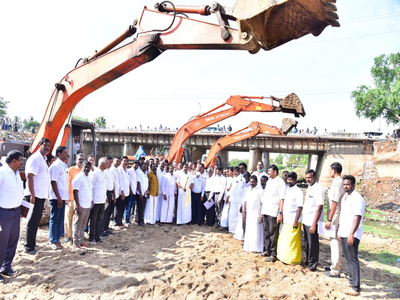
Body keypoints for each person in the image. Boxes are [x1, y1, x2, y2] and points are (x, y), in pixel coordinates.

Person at [338, 175, 365, 296]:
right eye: (344, 184)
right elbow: (344, 215)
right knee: (348, 258)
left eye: (348, 184)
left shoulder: (357, 198)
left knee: (353, 259)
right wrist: (340, 232)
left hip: (352, 233)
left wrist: (351, 234)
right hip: (344, 232)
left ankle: (356, 288)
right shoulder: (345, 196)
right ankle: (352, 280)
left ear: (353, 185)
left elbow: (357, 217)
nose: (345, 186)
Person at [24, 138, 51, 255]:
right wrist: (33, 196)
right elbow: (30, 177)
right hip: (34, 196)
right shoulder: (35, 159)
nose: (47, 148)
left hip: (40, 196)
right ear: (40, 145)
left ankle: (32, 244)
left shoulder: (43, 159)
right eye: (45, 146)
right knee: (32, 221)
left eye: (49, 147)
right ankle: (28, 247)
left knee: (35, 222)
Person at [0, 150, 24, 283]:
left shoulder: (17, 174)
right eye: (21, 160)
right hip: (3, 213)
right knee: (1, 242)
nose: (22, 162)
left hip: (16, 212)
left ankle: (6, 267)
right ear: (13, 161)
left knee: (13, 241)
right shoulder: (2, 173)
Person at [276, 172, 303, 265]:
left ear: (295, 180)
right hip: (286, 219)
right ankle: (283, 258)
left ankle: (293, 260)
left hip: (293, 220)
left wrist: (295, 221)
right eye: (288, 179)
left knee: (292, 242)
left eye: (291, 180)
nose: (289, 181)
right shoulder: (287, 189)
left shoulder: (298, 191)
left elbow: (299, 207)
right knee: (285, 240)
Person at [324, 162, 345, 278]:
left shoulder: (338, 183)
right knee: (334, 242)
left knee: (335, 242)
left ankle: (335, 270)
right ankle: (334, 264)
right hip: (336, 215)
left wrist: (329, 219)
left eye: (330, 170)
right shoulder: (338, 182)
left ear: (334, 170)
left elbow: (334, 203)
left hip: (335, 216)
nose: (329, 172)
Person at [261, 164, 286, 262]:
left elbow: (282, 198)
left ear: (275, 172)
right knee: (266, 232)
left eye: (269, 170)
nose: (268, 172)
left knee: (273, 233)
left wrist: (280, 213)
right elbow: (266, 197)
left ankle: (273, 254)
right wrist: (262, 212)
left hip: (274, 212)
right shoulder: (269, 181)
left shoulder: (280, 182)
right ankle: (267, 250)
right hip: (266, 210)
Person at [303, 169, 324, 272]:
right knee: (307, 243)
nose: (308, 179)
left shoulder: (318, 189)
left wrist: (314, 224)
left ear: (315, 178)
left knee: (313, 245)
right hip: (306, 220)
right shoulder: (309, 187)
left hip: (312, 222)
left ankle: (312, 266)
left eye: (309, 177)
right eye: (306, 177)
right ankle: (308, 261)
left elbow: (319, 207)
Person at [48, 146, 69, 250]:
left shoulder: (63, 166)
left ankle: (57, 239)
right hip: (57, 198)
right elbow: (53, 181)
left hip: (62, 197)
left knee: (60, 219)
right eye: (65, 153)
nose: (67, 154)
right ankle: (53, 240)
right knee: (54, 218)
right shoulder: (55, 166)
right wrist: (58, 197)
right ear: (59, 154)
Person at [72, 161, 93, 249]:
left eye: (89, 167)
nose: (87, 169)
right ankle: (76, 243)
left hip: (87, 205)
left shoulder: (88, 177)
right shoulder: (78, 178)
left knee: (84, 224)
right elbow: (75, 192)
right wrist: (78, 206)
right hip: (81, 205)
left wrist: (91, 201)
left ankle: (81, 241)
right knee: (78, 224)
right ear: (82, 167)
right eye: (85, 167)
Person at [65, 153, 85, 243]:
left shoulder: (85, 171)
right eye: (79, 159)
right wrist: (66, 197)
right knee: (69, 217)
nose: (81, 161)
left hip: (81, 200)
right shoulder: (71, 170)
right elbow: (67, 183)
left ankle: (76, 236)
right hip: (71, 198)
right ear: (76, 160)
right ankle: (68, 236)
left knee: (77, 219)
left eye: (82, 159)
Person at [243, 175, 264, 252]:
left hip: (257, 214)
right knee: (249, 230)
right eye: (251, 182)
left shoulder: (260, 191)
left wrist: (261, 215)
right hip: (249, 214)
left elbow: (263, 203)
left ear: (256, 182)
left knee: (256, 231)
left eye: (253, 182)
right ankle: (249, 247)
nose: (252, 183)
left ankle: (257, 248)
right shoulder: (248, 189)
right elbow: (245, 202)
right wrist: (244, 213)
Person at [89, 158, 107, 244]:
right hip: (95, 201)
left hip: (102, 200)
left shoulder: (103, 173)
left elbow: (103, 186)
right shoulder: (95, 173)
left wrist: (105, 196)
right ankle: (92, 237)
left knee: (100, 219)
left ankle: (97, 236)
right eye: (106, 164)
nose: (107, 165)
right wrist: (91, 199)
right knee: (93, 219)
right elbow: (90, 186)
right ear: (102, 164)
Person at [227, 167, 246, 234]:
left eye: (236, 171)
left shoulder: (242, 179)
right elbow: (230, 189)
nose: (235, 173)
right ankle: (232, 230)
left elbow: (243, 190)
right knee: (232, 216)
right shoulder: (233, 179)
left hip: (239, 201)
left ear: (239, 171)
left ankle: (239, 232)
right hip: (233, 200)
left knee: (239, 217)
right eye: (234, 171)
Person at [102, 156, 115, 236]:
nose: (109, 164)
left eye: (110, 163)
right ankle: (102, 229)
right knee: (104, 213)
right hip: (105, 193)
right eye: (108, 163)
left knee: (108, 212)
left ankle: (106, 228)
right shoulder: (103, 172)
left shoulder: (109, 171)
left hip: (110, 193)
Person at [115, 156, 130, 228]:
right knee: (118, 208)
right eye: (124, 161)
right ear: (121, 161)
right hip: (121, 193)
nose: (125, 162)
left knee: (122, 208)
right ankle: (117, 223)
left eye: (127, 161)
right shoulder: (119, 170)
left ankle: (120, 222)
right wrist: (122, 192)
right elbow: (120, 181)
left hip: (126, 193)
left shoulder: (126, 170)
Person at [125, 160, 139, 226]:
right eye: (135, 164)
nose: (136, 166)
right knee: (128, 207)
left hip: (134, 193)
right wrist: (130, 190)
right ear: (133, 164)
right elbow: (129, 182)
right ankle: (126, 221)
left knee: (131, 207)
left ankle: (128, 220)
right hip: (130, 192)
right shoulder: (129, 171)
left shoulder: (136, 172)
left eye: (137, 165)